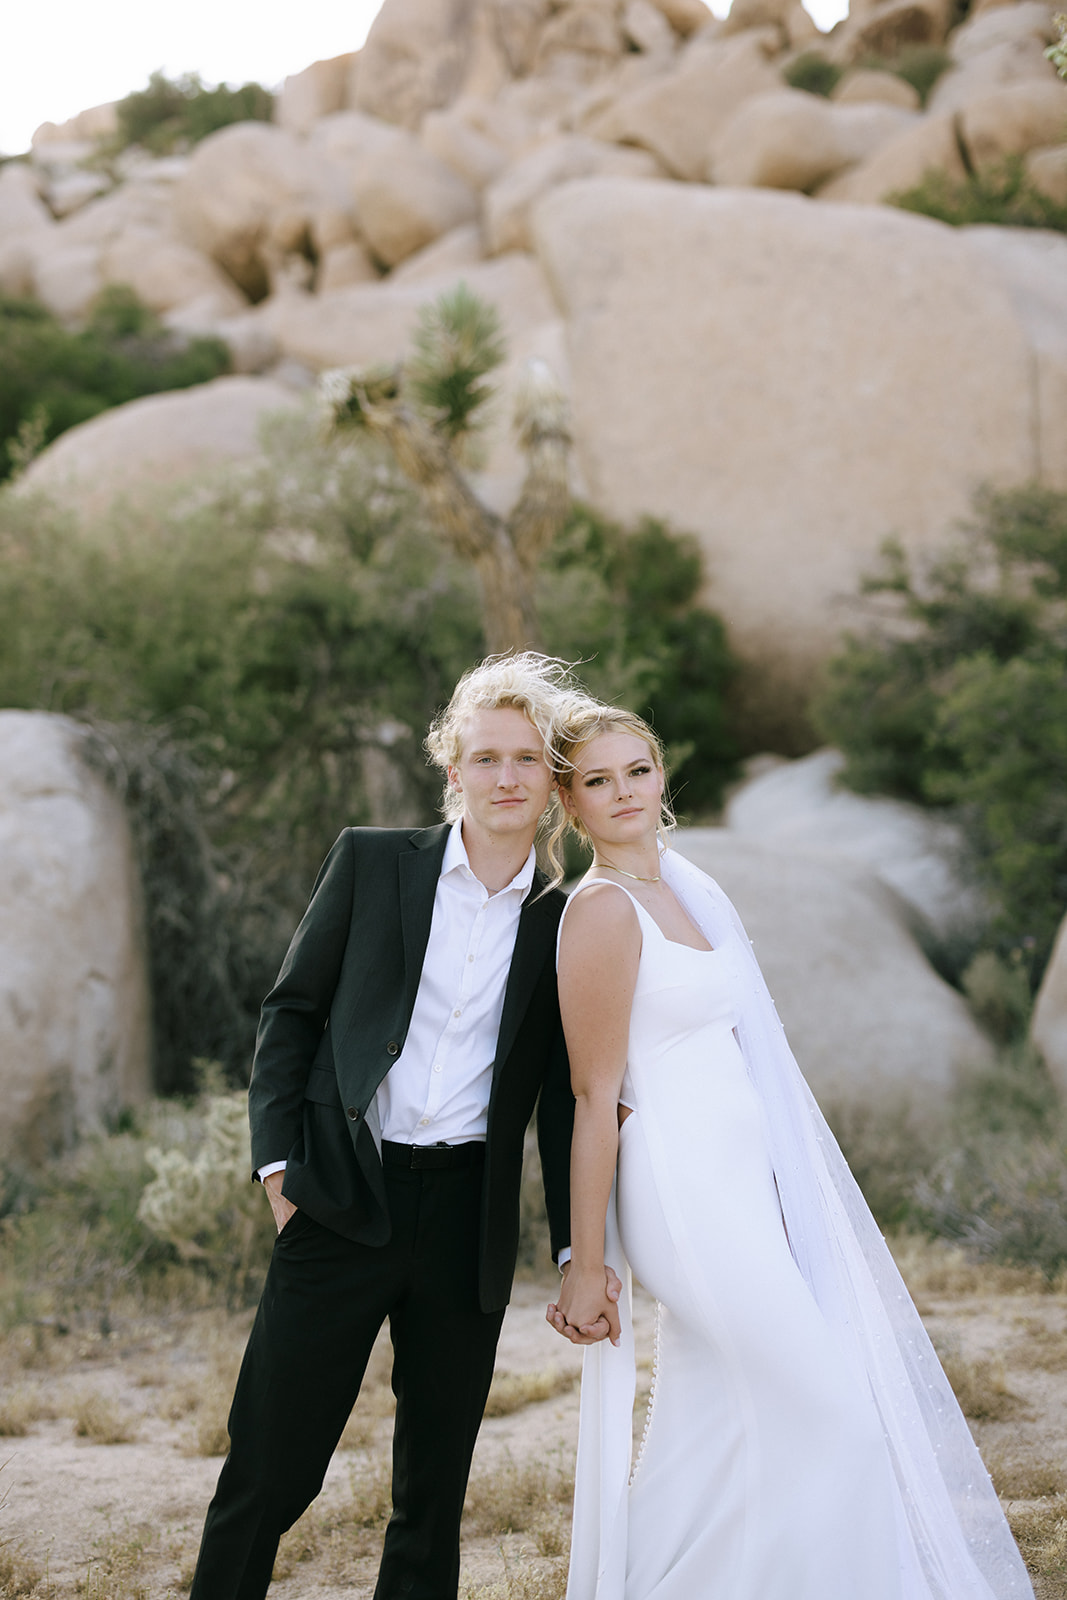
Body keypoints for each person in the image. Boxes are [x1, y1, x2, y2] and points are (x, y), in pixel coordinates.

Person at [544, 701, 1034, 1600]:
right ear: (570, 806)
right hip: (682, 1200)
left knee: (717, 1426)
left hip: (741, 1191)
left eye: (637, 771)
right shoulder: (602, 914)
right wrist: (586, 1261)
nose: (624, 794)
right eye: (597, 781)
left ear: (661, 776)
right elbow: (592, 1098)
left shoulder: (688, 886)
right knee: (839, 1418)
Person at [189, 653, 618, 1600]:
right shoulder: (373, 861)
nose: (504, 777)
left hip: (466, 1219)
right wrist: (278, 1173)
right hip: (341, 1193)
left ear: (551, 782)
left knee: (433, 1488)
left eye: (525, 760)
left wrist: (574, 1254)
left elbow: (563, 1098)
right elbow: (290, 1012)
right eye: (484, 757)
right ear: (452, 769)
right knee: (269, 1466)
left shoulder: (567, 920)